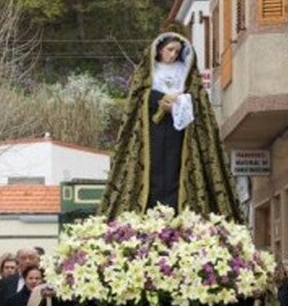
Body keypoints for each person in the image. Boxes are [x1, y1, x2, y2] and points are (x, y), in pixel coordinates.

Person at [99, 31, 241, 220]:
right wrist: (158, 99)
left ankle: (178, 211)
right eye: (170, 49)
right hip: (152, 133)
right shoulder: (147, 73)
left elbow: (199, 103)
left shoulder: (187, 74)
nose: (173, 54)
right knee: (152, 170)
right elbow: (137, 99)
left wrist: (181, 102)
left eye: (177, 51)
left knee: (176, 170)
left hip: (180, 134)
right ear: (159, 49)